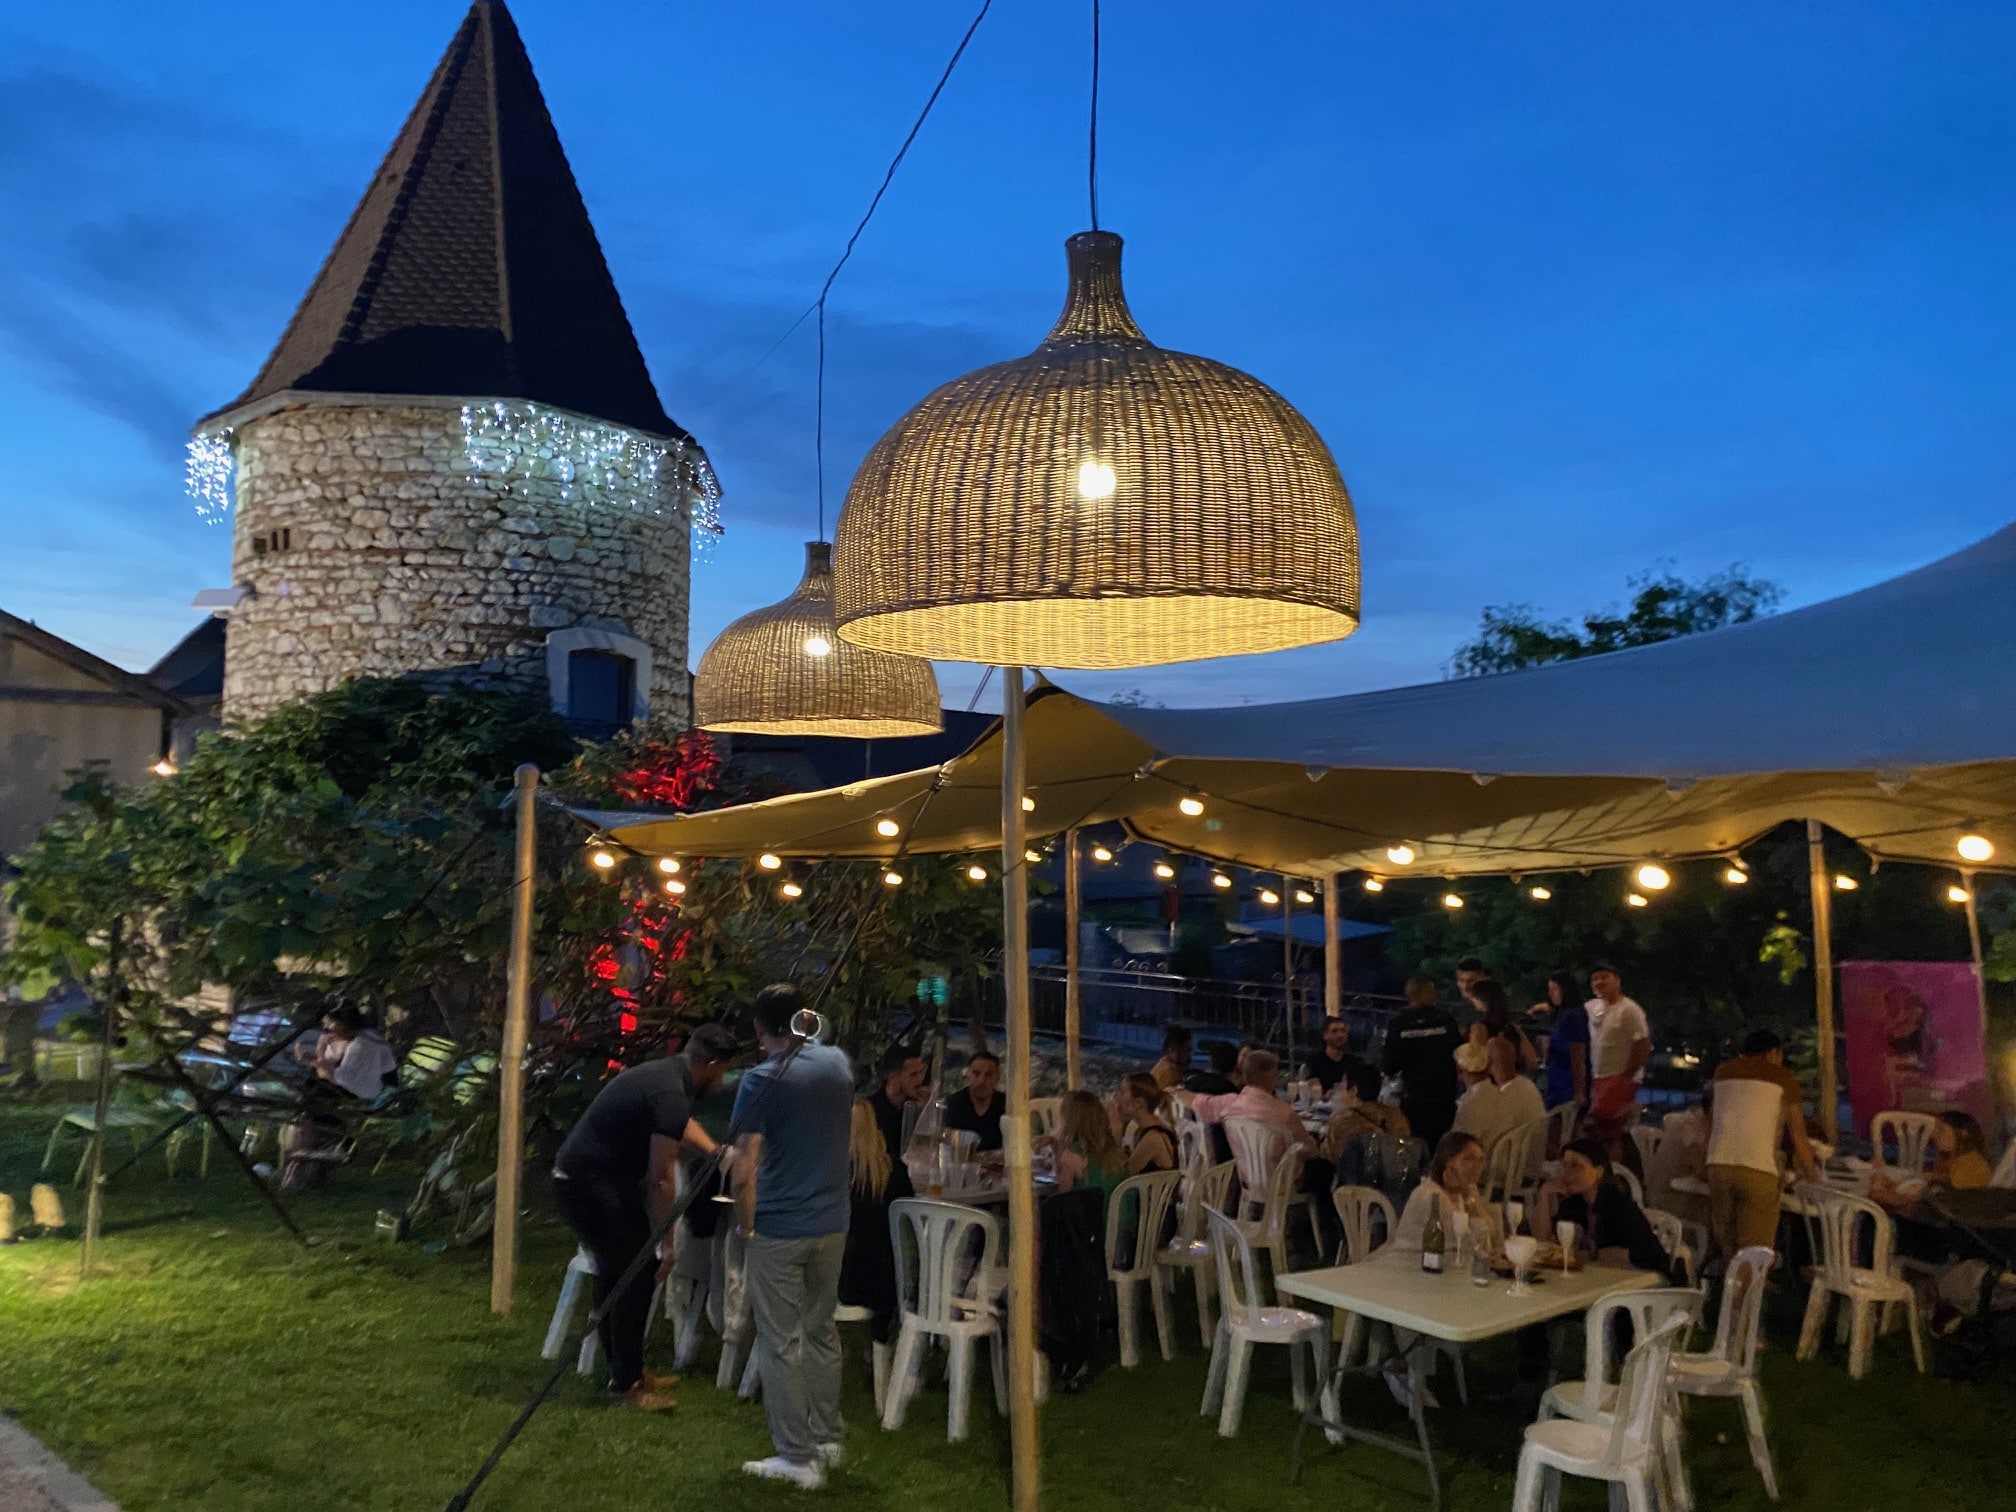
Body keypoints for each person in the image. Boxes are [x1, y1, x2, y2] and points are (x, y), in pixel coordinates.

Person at [552, 1021, 736, 1411]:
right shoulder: (670, 1090)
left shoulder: (668, 1076)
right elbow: (660, 1179)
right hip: (586, 1183)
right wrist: (666, 1243)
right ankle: (626, 1386)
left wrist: (715, 1152)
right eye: (723, 1071)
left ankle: (625, 1370)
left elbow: (678, 1125)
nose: (722, 1080)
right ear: (713, 1063)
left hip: (592, 1178)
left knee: (617, 1270)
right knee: (637, 1271)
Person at [732, 984, 855, 1490]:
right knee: (822, 1328)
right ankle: (829, 1438)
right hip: (832, 1221)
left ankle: (798, 1458)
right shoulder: (838, 1067)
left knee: (780, 1340)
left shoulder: (762, 1080)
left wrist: (746, 1227)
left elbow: (743, 1172)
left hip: (781, 1225)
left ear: (761, 1030)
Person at [1704, 1030, 1818, 1259]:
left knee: (1729, 1245)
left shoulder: (1723, 1072)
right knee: (1753, 1252)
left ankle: (1730, 1293)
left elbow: (1713, 1122)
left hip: (1718, 1165)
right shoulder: (1783, 1077)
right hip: (1758, 1167)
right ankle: (1746, 1295)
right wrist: (1814, 1177)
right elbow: (1798, 1136)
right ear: (1773, 1053)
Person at [1530, 1138, 1673, 1276]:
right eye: (1564, 1165)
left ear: (1598, 1172)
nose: (1566, 1172)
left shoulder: (1616, 1205)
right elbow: (1543, 1242)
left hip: (1643, 1280)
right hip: (1601, 1278)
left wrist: (1575, 1255)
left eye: (1575, 1166)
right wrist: (1544, 1195)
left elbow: (1615, 1256)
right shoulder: (1575, 1204)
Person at [838, 1098, 912, 1352]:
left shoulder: (833, 1174)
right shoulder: (895, 1172)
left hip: (839, 1279)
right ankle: (880, 1346)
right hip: (883, 1284)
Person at [1176, 1049, 1317, 1155]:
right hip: (1281, 1186)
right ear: (1272, 1078)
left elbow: (1196, 1102)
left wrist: (1174, 1091)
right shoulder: (1285, 1113)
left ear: (1245, 1075)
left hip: (1245, 1182)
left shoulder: (1228, 1103)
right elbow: (1309, 1149)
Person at [1383, 975, 1463, 1149]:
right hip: (1444, 1100)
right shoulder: (1446, 1021)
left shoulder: (1399, 1024)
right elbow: (1459, 1054)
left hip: (1415, 1101)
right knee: (1441, 1150)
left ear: (1409, 994)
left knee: (1414, 1151)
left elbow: (1389, 1065)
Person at [1453, 1036, 1547, 1182]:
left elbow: (1459, 1146)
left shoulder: (1497, 1097)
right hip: (1527, 1163)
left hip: (1511, 1171)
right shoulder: (1525, 1085)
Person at [1394, 1131, 1502, 1255]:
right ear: (1448, 1162)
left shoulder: (1464, 1192)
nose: (1476, 1166)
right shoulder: (1431, 1195)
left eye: (1480, 1160)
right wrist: (1472, 1203)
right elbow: (1468, 1244)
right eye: (1469, 1159)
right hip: (1409, 1262)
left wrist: (1473, 1201)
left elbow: (1490, 1239)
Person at [1584, 966, 1651, 1151]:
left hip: (1619, 1079)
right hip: (1599, 1078)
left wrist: (1626, 1077)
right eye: (1595, 979)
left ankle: (1616, 1170)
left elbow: (1642, 1044)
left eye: (1604, 977)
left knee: (1610, 1130)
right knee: (1599, 1129)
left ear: (1617, 980)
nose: (1599, 982)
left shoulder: (1630, 1010)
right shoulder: (1592, 1007)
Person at [1872, 1109, 1992, 1208]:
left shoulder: (1970, 1166)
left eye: (1941, 1130)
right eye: (1936, 1129)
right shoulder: (1949, 1157)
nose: (1934, 1134)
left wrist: (1886, 1196)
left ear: (1962, 1135)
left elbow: (1938, 1205)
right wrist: (1892, 1186)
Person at [1046, 1089, 1130, 1205]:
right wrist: (1056, 1146)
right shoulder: (1115, 1150)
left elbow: (1062, 1199)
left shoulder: (1072, 1156)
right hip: (1129, 1221)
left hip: (1096, 1220)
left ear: (1067, 1120)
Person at [298, 1005, 398, 1101]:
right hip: (385, 1078)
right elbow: (325, 1069)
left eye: (327, 1025)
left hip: (383, 1082)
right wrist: (320, 1049)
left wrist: (316, 1055)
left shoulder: (346, 1072)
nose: (326, 1031)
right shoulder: (358, 1046)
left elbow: (326, 1069)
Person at [1320, 1061, 1411, 1164]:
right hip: (1392, 1177)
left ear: (1353, 1091)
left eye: (1343, 1083)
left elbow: (1331, 1156)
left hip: (1352, 1178)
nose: (1340, 1087)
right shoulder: (1397, 1118)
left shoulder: (1342, 1120)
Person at [1531, 971, 1590, 1112]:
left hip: (1567, 1084)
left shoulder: (1573, 1016)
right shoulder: (1561, 1015)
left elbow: (1578, 1055)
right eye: (1549, 990)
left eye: (1555, 989)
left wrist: (1578, 1091)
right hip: (1556, 1081)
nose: (1551, 994)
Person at [1462, 977, 1538, 1073]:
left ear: (1482, 998)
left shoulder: (1480, 1029)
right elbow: (1531, 1061)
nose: (1472, 1000)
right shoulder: (1511, 1028)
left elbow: (1474, 1064)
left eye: (1474, 996)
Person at [867, 1043, 926, 1164]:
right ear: (893, 1077)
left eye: (921, 1072)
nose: (920, 1080)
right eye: (913, 1075)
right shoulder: (870, 1112)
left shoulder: (914, 1108)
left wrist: (926, 1112)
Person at [1113, 1073, 1179, 1174]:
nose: (1116, 1098)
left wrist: (1116, 1131)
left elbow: (1123, 1175)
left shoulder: (1153, 1138)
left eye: (1122, 1092)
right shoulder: (1141, 1128)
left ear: (1138, 1102)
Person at [942, 1049, 1004, 1153]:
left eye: (988, 1075)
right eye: (976, 1074)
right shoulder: (954, 1104)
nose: (981, 1081)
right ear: (968, 1075)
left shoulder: (1005, 1105)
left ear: (997, 1077)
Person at [1305, 1015, 1369, 1098]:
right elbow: (1315, 1090)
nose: (1340, 1035)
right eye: (1334, 1031)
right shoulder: (1315, 1060)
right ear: (1325, 1035)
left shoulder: (1354, 1061)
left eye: (1343, 1031)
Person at [1150, 1024, 1194, 1091]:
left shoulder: (1168, 1065)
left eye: (1190, 1050)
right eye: (1186, 1051)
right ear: (1172, 1050)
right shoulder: (1169, 1073)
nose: (1190, 1055)